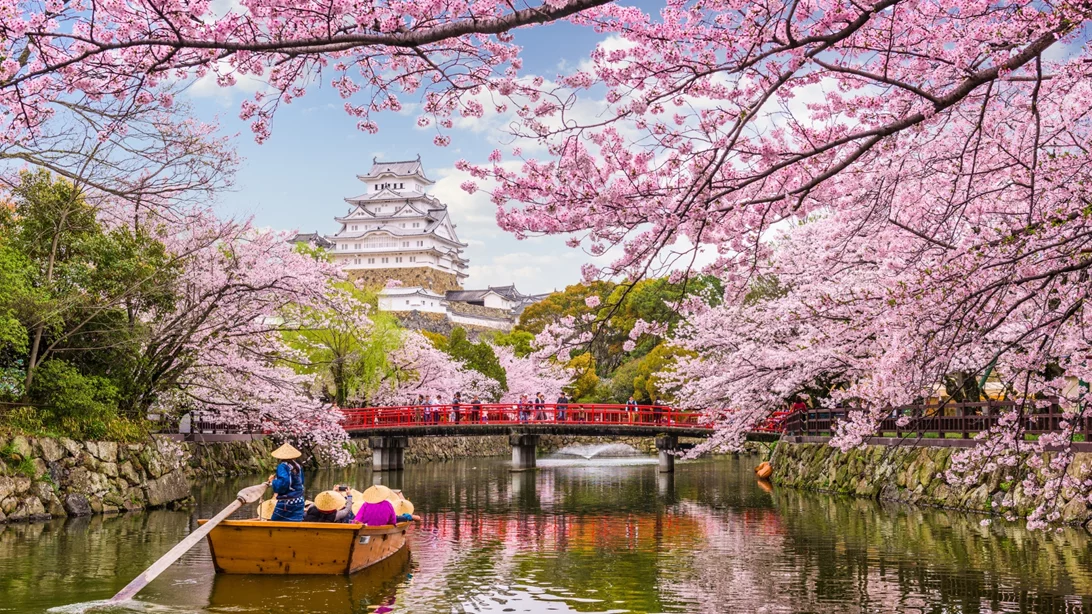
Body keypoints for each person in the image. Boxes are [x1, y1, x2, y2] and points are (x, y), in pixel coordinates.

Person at [268, 443, 305, 522]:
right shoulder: (297, 465)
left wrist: (273, 481)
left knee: (275, 522)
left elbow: (284, 482)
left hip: (287, 502)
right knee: (295, 522)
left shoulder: (282, 466)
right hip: (299, 500)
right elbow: (301, 481)